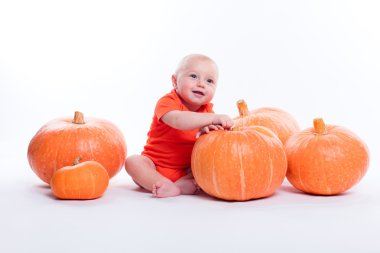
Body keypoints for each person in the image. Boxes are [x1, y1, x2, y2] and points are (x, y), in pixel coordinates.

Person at [125, 54, 234, 198]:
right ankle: (162, 183)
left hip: (187, 170)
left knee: (207, 168)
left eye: (209, 81)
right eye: (194, 76)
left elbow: (210, 144)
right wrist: (212, 119)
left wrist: (209, 131)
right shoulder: (167, 102)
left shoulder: (207, 112)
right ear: (175, 81)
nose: (201, 84)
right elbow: (178, 120)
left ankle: (180, 185)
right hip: (154, 165)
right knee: (133, 161)